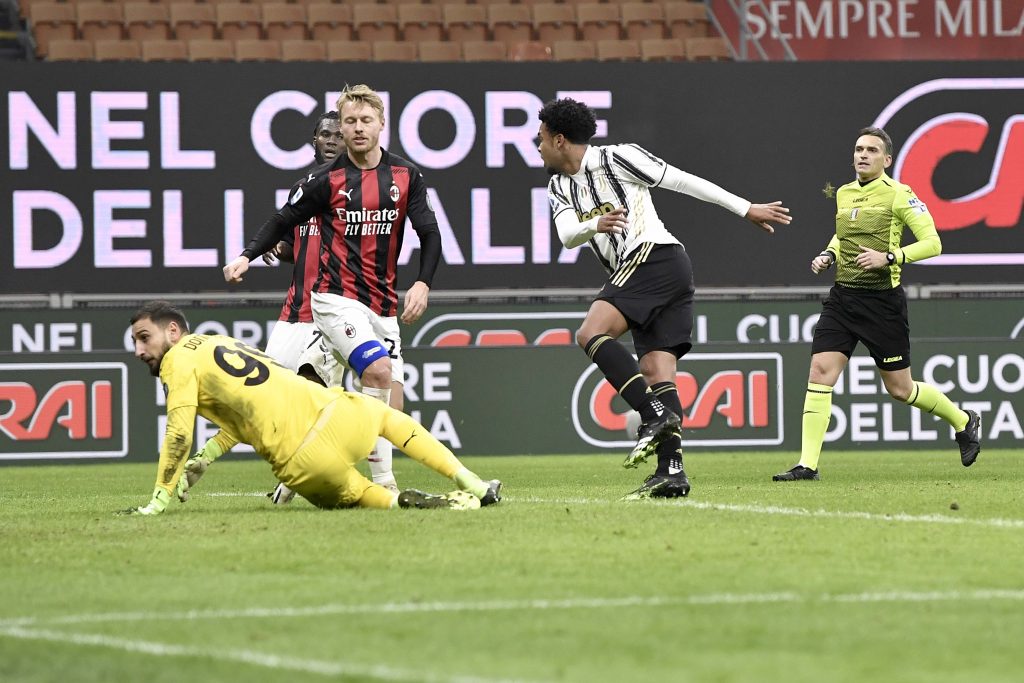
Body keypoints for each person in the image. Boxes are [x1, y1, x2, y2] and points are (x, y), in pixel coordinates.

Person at [536, 98, 792, 500]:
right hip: (657, 271)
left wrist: (745, 208)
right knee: (656, 371)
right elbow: (568, 235)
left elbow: (683, 181)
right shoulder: (558, 185)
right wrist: (595, 223)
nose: (538, 147)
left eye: (541, 138)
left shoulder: (619, 158)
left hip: (654, 256)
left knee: (589, 333)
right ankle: (672, 471)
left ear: (560, 140)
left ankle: (653, 414)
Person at [223, 84, 441, 498]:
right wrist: (247, 255)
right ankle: (385, 485)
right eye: (349, 122)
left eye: (365, 120)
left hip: (381, 304)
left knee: (386, 405)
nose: (357, 128)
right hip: (333, 300)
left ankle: (303, 471)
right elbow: (283, 220)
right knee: (373, 375)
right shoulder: (324, 181)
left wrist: (423, 282)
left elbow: (429, 232)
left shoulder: (405, 176)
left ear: (381, 124)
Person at [121, 301, 501, 516]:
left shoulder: (176, 362)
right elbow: (247, 414)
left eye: (144, 338)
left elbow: (179, 432)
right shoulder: (217, 342)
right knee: (386, 417)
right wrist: (206, 456)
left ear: (173, 331)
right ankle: (472, 483)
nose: (139, 350)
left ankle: (398, 502)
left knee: (359, 492)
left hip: (304, 466)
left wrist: (159, 499)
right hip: (336, 417)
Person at [773, 127, 981, 481]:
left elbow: (933, 243)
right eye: (859, 149)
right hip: (843, 299)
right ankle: (807, 465)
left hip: (883, 303)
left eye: (871, 150)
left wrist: (890, 256)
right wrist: (829, 254)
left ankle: (963, 420)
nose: (863, 155)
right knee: (820, 372)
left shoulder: (900, 194)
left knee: (900, 389)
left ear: (887, 159)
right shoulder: (844, 193)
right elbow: (844, 235)